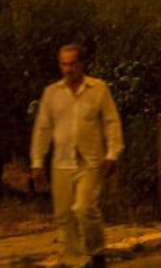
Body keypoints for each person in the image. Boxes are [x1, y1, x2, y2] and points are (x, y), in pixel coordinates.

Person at [30, 43, 124, 268]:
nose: (68, 69)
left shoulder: (98, 89)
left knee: (83, 208)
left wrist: (112, 153)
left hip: (90, 161)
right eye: (64, 64)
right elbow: (42, 128)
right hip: (61, 162)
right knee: (64, 216)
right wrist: (37, 162)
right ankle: (75, 262)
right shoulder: (52, 93)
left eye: (72, 64)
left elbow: (111, 122)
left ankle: (96, 251)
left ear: (81, 64)